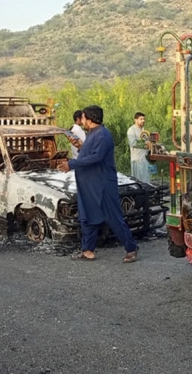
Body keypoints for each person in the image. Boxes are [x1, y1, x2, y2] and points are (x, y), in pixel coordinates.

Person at [58, 106, 138, 263]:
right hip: (89, 184)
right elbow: (89, 153)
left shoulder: (102, 134)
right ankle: (88, 250)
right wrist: (80, 146)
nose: (82, 121)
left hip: (102, 185)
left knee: (112, 217)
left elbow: (96, 157)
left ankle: (131, 248)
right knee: (87, 216)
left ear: (89, 119)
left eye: (83, 118)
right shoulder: (93, 134)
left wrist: (71, 164)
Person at [127, 112, 151, 183]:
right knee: (137, 181)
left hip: (145, 159)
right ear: (135, 120)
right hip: (137, 159)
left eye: (144, 119)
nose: (143, 121)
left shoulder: (144, 130)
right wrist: (145, 145)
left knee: (146, 179)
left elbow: (148, 142)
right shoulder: (131, 130)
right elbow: (133, 143)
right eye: (141, 119)